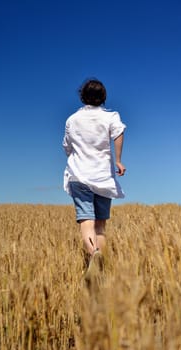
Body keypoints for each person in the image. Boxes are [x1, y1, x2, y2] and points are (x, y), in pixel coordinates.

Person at [63, 79, 126, 272]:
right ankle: (102, 269)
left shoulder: (72, 120)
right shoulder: (111, 117)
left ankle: (94, 255)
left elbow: (67, 146)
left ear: (83, 96)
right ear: (103, 97)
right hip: (102, 178)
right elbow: (119, 133)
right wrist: (118, 160)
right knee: (100, 226)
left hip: (79, 175)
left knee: (86, 221)